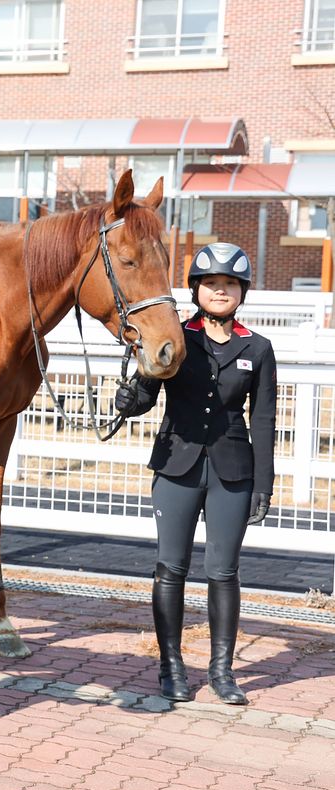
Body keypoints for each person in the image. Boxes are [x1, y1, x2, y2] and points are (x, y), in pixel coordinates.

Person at [115, 242, 276, 706]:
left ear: (242, 292)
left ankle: (222, 672)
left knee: (224, 572)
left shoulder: (258, 348)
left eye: (229, 284)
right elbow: (147, 392)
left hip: (233, 473)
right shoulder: (176, 336)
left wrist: (263, 485)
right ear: (196, 290)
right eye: (211, 283)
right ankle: (171, 667)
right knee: (171, 568)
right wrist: (129, 399)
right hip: (176, 467)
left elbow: (263, 420)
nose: (220, 291)